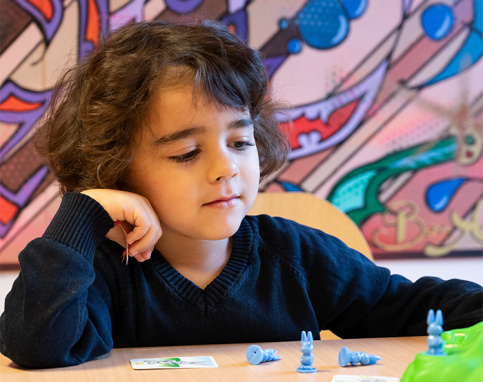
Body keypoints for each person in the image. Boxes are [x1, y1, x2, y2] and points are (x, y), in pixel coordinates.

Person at [0, 20, 482, 369]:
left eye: (239, 141)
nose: (226, 167)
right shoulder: (105, 274)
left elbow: (415, 308)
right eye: (187, 152)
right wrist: (85, 212)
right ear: (116, 171)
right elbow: (35, 346)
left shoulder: (298, 257)